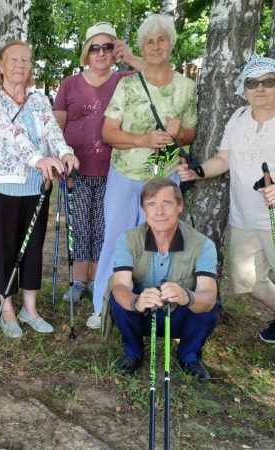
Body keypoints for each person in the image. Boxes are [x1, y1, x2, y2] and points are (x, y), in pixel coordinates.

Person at [178, 56, 275, 371]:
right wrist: (197, 172)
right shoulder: (240, 117)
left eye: (268, 82)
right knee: (246, 279)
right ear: (243, 88)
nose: (260, 88)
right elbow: (224, 158)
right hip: (245, 215)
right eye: (252, 83)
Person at [89, 14, 197, 330]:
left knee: (159, 242)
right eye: (148, 41)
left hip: (164, 180)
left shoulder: (186, 87)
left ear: (171, 44)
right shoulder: (127, 85)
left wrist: (179, 134)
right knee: (117, 240)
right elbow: (109, 133)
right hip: (124, 176)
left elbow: (189, 134)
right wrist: (143, 139)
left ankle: (152, 308)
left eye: (161, 39)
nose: (155, 46)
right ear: (141, 48)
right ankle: (103, 306)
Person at [0, 40, 79, 338]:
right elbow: (10, 137)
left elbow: (52, 130)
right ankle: (7, 310)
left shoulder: (38, 100)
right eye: (14, 60)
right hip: (3, 186)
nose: (20, 66)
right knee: (5, 248)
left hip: (38, 186)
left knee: (33, 247)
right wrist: (40, 159)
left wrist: (64, 152)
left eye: (26, 60)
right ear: (1, 66)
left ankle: (30, 308)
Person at [53, 22, 143, 303]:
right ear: (86, 52)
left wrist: (128, 55)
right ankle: (80, 281)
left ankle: (99, 280)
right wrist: (59, 160)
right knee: (80, 226)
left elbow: (158, 74)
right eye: (95, 47)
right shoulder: (69, 84)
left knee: (104, 227)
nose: (101, 53)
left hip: (114, 169)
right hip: (75, 169)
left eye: (108, 47)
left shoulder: (125, 79)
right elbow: (55, 127)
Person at [110, 178, 219, 382]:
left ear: (180, 206)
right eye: (152, 204)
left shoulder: (203, 245)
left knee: (210, 306)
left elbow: (208, 295)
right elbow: (120, 285)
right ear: (144, 211)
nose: (159, 211)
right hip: (143, 315)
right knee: (118, 298)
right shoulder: (128, 239)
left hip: (180, 316)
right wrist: (137, 301)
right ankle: (133, 353)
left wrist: (187, 296)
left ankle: (189, 356)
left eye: (167, 203)